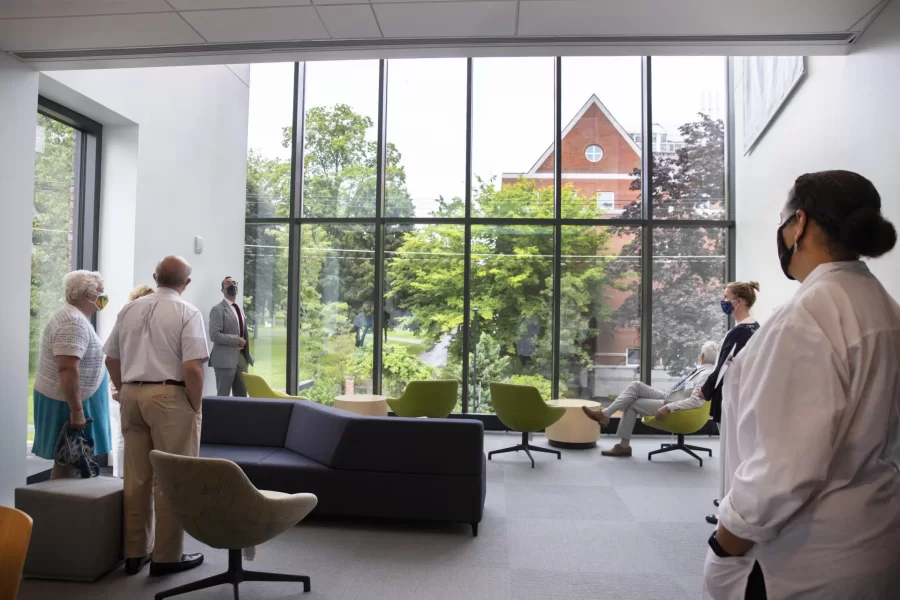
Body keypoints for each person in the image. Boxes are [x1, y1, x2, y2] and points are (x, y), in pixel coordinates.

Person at [704, 170, 900, 599]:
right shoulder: (884, 307)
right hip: (875, 538)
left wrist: (726, 544)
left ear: (801, 224)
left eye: (783, 219)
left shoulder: (809, 316)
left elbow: (783, 468)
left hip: (802, 559)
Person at [104, 256, 209, 578]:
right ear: (186, 283)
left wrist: (125, 389)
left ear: (155, 276)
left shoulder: (129, 309)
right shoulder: (187, 312)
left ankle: (135, 552)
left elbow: (111, 358)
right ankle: (166, 556)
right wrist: (195, 403)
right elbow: (193, 366)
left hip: (132, 396)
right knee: (173, 478)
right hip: (169, 397)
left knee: (136, 478)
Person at [32, 270, 112, 479]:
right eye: (101, 292)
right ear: (86, 295)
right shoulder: (72, 322)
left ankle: (66, 507)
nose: (104, 297)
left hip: (72, 400)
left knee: (71, 460)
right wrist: (77, 410)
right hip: (67, 403)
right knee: (69, 459)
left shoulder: (75, 317)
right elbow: (67, 368)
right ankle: (61, 509)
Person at [582, 341, 720, 457]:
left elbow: (696, 401)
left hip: (673, 404)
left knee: (633, 404)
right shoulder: (703, 371)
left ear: (701, 356)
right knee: (636, 386)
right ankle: (606, 414)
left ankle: (622, 444)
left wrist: (667, 407)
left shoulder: (706, 374)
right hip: (671, 396)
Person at [703, 281, 761, 525]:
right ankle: (731, 498)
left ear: (740, 301)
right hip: (744, 398)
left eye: (726, 296)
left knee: (731, 454)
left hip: (733, 399)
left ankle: (729, 508)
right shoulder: (756, 328)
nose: (723, 300)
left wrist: (704, 391)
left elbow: (721, 365)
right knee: (739, 452)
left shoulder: (738, 332)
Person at [109, 284, 155, 479]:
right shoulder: (126, 320)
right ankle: (119, 475)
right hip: (123, 387)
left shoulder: (133, 323)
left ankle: (125, 476)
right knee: (122, 435)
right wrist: (117, 387)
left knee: (130, 435)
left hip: (127, 387)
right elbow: (114, 358)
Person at [208, 276, 253, 397]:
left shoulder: (239, 309)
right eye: (228, 283)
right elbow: (214, 335)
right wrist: (236, 340)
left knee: (242, 396)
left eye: (234, 282)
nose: (232, 284)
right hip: (224, 360)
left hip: (241, 359)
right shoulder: (217, 310)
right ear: (222, 290)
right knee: (223, 397)